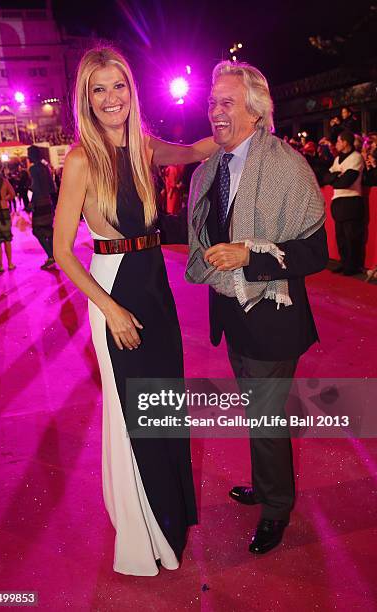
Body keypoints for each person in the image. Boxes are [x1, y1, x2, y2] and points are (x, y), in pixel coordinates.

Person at [53, 46, 218, 576]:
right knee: (134, 416)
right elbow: (61, 251)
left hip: (154, 288)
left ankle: (168, 520)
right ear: (86, 98)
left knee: (164, 406)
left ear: (131, 90)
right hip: (114, 290)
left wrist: (243, 122)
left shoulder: (145, 147)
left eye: (117, 86)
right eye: (98, 89)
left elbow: (194, 149)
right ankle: (143, 535)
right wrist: (112, 311)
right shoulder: (81, 158)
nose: (110, 98)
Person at [185, 61, 328, 555]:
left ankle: (276, 509)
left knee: (266, 419)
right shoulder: (210, 170)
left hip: (272, 316)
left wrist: (251, 256)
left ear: (255, 109)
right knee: (257, 414)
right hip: (233, 311)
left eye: (226, 102)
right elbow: (204, 235)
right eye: (212, 102)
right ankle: (268, 489)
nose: (215, 111)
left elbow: (315, 252)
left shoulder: (287, 167)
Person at [323, 130, 365, 275]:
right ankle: (345, 262)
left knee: (351, 236)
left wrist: (336, 177)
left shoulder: (356, 157)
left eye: (338, 141)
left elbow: (346, 181)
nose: (336, 144)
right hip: (338, 201)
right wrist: (337, 176)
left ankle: (353, 265)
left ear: (345, 142)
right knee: (340, 236)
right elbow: (326, 178)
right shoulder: (337, 159)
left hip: (351, 200)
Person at [28, 145, 56, 269]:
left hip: (39, 203)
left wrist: (31, 203)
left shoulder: (34, 169)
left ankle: (51, 255)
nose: (27, 156)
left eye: (29, 154)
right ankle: (53, 255)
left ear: (32, 155)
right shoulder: (45, 167)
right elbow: (52, 187)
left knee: (37, 230)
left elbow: (35, 188)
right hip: (48, 202)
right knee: (48, 230)